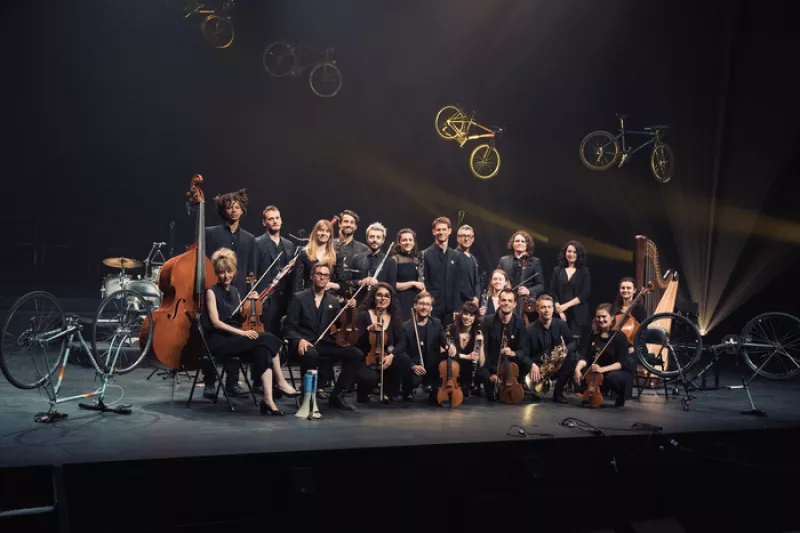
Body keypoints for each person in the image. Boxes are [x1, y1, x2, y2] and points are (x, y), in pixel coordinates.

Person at [205, 248, 299, 416]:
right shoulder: (211, 292)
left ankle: (268, 400)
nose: (225, 276)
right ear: (216, 273)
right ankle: (281, 381)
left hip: (235, 338)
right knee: (269, 338)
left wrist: (251, 301)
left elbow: (241, 316)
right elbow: (216, 322)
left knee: (264, 350)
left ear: (234, 272)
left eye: (229, 272)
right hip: (220, 341)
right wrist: (242, 333)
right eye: (221, 272)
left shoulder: (235, 292)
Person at [284, 263, 363, 413]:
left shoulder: (333, 301)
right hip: (303, 343)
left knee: (356, 355)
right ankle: (307, 396)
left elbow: (337, 327)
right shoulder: (299, 298)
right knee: (311, 354)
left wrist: (350, 310)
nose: (322, 277)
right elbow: (288, 328)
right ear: (311, 276)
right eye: (319, 274)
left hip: (324, 343)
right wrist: (299, 340)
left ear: (329, 279)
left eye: (325, 275)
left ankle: (337, 395)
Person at [203, 189, 258, 396]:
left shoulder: (249, 238)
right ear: (222, 210)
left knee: (235, 333)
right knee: (211, 334)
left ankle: (232, 383)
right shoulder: (211, 233)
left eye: (237, 207)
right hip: (214, 291)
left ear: (242, 210)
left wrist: (251, 292)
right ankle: (209, 383)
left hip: (239, 293)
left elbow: (251, 271)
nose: (233, 211)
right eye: (229, 207)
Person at [354, 283, 411, 403]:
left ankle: (389, 392)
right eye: (379, 295)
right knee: (370, 379)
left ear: (390, 300)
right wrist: (369, 329)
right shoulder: (364, 315)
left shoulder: (394, 317)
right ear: (374, 297)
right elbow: (356, 341)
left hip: (386, 356)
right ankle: (364, 391)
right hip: (367, 357)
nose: (383, 299)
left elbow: (402, 341)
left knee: (403, 359)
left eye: (386, 296)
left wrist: (392, 355)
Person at [574, 303, 635, 408]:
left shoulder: (619, 336)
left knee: (612, 377)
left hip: (615, 371)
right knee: (581, 372)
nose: (600, 319)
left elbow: (621, 363)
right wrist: (577, 369)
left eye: (604, 316)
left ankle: (620, 396)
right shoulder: (594, 335)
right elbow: (585, 356)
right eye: (598, 317)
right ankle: (590, 394)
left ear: (611, 318)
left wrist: (602, 369)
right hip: (597, 372)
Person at [475, 289, 528, 401]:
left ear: (514, 304)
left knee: (525, 362)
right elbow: (484, 349)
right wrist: (490, 375)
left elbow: (524, 350)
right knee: (491, 395)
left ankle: (518, 383)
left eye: (510, 301)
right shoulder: (488, 321)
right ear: (498, 302)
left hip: (511, 369)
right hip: (491, 367)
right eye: (503, 300)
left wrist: (513, 353)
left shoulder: (519, 323)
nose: (506, 303)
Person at [524, 294, 578, 404]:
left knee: (572, 358)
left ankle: (558, 393)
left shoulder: (561, 324)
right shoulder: (529, 329)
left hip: (555, 364)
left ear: (553, 309)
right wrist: (532, 365)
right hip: (538, 367)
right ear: (537, 309)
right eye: (543, 307)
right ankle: (535, 388)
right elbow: (524, 353)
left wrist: (565, 350)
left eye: (549, 307)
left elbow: (573, 342)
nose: (546, 310)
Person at [401, 291, 451, 402]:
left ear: (431, 308)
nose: (424, 307)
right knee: (413, 381)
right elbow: (402, 352)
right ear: (415, 305)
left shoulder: (436, 323)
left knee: (448, 357)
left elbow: (444, 342)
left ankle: (440, 387)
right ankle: (408, 389)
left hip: (432, 367)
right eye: (421, 303)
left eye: (428, 304)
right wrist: (412, 366)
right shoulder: (406, 326)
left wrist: (450, 346)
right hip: (415, 368)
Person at [255, 205, 296, 338]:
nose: (275, 221)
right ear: (264, 222)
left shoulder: (289, 245)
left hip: (284, 300)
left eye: (277, 218)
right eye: (270, 219)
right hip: (266, 300)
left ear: (281, 220)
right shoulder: (257, 243)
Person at [549, 240, 591, 353]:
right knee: (557, 344)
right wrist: (559, 309)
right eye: (569, 251)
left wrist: (565, 306)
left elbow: (585, 293)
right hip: (560, 313)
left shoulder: (584, 271)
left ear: (579, 254)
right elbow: (553, 291)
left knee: (574, 347)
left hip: (578, 314)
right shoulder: (557, 270)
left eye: (574, 252)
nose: (571, 254)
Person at [422, 217, 461, 325]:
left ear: (449, 231)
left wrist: (457, 308)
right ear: (433, 232)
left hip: (450, 309)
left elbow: (457, 284)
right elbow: (423, 283)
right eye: (438, 229)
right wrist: (426, 306)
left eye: (444, 229)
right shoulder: (425, 254)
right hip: (432, 308)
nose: (441, 232)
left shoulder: (455, 255)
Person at [497, 230, 544, 320]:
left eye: (523, 241)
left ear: (527, 245)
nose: (520, 243)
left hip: (526, 304)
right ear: (512, 244)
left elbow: (541, 285)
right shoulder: (504, 260)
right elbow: (497, 279)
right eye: (517, 241)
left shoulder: (534, 262)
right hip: (507, 301)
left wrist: (528, 291)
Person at [348, 222, 396, 303]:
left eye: (378, 237)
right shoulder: (356, 258)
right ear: (367, 238)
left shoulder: (389, 261)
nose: (375, 240)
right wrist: (361, 282)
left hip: (380, 304)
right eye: (372, 237)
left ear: (383, 240)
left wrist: (379, 284)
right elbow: (348, 281)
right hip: (360, 302)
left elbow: (392, 286)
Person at [387, 228, 425, 321]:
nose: (407, 242)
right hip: (400, 301)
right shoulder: (394, 260)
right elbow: (392, 285)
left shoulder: (417, 259)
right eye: (404, 240)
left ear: (414, 242)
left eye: (410, 240)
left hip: (415, 300)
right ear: (399, 242)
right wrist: (413, 283)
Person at [293, 219, 340, 293]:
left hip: (329, 298)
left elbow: (343, 285)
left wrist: (330, 285)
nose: (324, 233)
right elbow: (297, 284)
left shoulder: (337, 256)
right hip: (308, 297)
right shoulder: (304, 254)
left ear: (330, 235)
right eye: (321, 230)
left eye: (327, 231)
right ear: (315, 232)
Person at [448, 301, 485, 396]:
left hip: (468, 371)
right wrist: (466, 356)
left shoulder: (478, 334)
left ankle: (469, 386)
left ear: (475, 318)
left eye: (471, 315)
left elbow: (481, 363)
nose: (467, 318)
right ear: (461, 314)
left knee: (483, 373)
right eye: (465, 314)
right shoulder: (451, 330)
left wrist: (481, 345)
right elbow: (444, 353)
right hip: (453, 370)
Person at [333, 209, 369, 295]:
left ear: (356, 226)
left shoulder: (364, 249)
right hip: (330, 293)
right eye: (346, 221)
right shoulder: (329, 245)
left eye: (352, 222)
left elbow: (364, 275)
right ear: (339, 224)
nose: (349, 225)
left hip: (353, 295)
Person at [455, 224, 480, 308]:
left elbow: (477, 281)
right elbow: (456, 282)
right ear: (457, 238)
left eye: (469, 236)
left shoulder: (473, 259)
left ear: (473, 239)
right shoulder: (453, 256)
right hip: (459, 303)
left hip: (472, 304)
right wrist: (471, 299)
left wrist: (477, 297)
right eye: (463, 236)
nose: (466, 239)